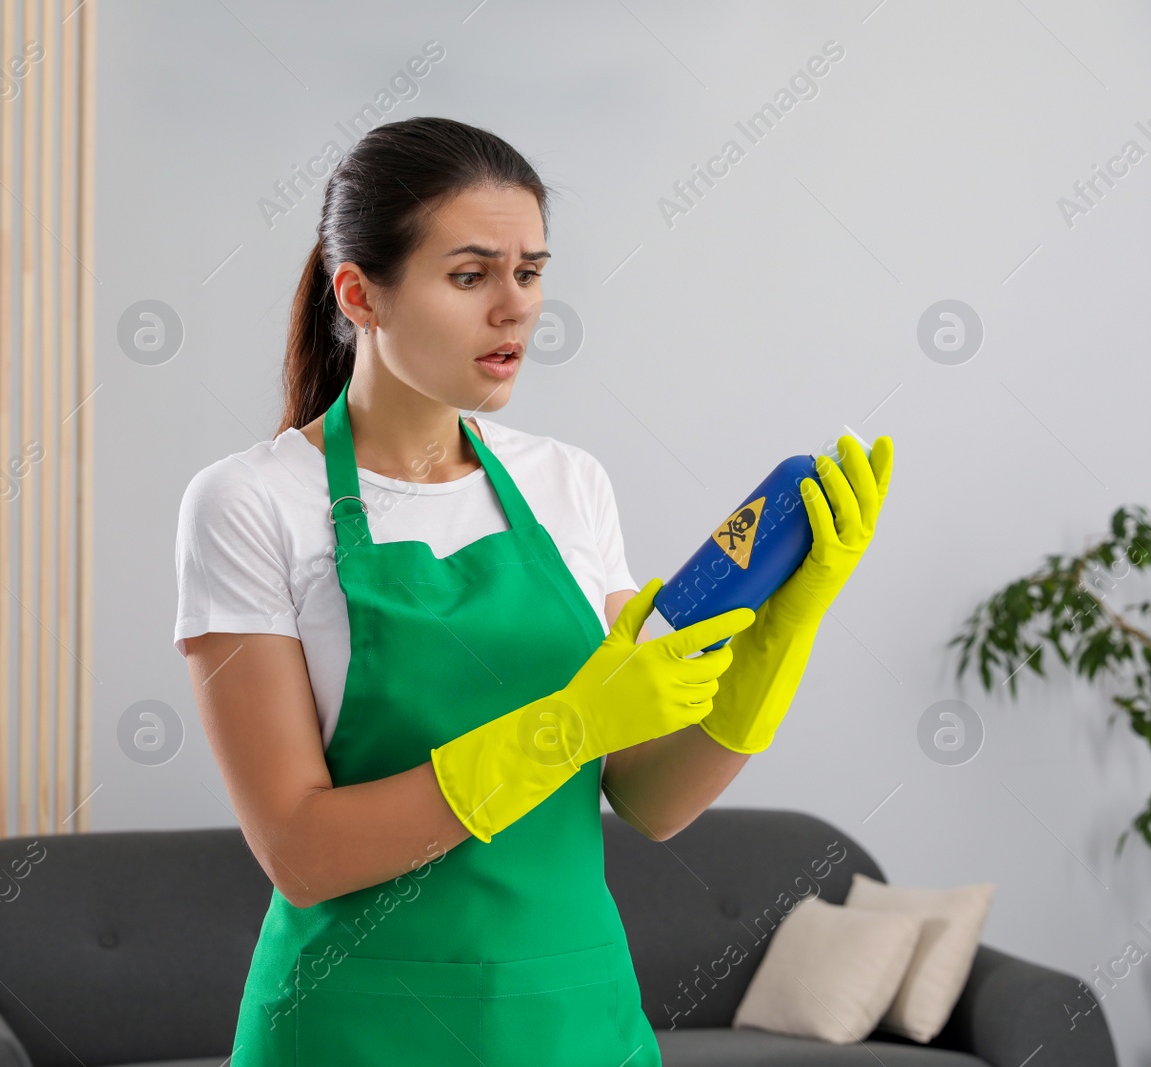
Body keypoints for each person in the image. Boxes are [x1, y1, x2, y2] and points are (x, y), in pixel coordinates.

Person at [173, 115, 892, 1066]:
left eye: (531, 271)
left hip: (573, 1022)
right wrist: (568, 726)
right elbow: (303, 853)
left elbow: (651, 799)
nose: (515, 308)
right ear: (361, 295)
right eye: (470, 276)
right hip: (356, 1027)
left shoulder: (568, 484)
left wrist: (782, 625)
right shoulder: (249, 503)